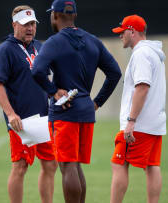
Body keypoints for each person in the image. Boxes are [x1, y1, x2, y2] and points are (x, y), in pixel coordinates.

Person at [31, 0, 122, 202]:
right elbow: (115, 73)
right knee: (76, 165)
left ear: (54, 16)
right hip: (86, 109)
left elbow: (37, 71)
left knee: (67, 165)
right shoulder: (93, 41)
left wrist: (53, 91)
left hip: (65, 111)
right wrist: (97, 102)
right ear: (75, 16)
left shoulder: (54, 42)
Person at [0, 5, 58, 203]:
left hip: (44, 117)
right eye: (25, 24)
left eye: (33, 24)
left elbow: (46, 78)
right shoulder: (5, 50)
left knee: (50, 164)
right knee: (20, 167)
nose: (30, 28)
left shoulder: (40, 46)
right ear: (14, 25)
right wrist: (11, 114)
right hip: (21, 120)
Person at [110, 15, 166, 203]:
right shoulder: (154, 53)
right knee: (152, 166)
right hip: (154, 122)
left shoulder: (141, 54)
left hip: (139, 124)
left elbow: (142, 87)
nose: (120, 36)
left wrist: (131, 121)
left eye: (122, 32)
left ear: (132, 31)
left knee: (119, 163)